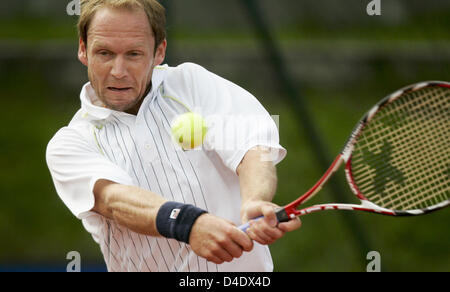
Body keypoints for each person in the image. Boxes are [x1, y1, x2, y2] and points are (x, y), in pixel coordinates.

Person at [46, 0, 301, 272]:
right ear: (83, 50)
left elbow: (253, 146)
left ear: (159, 52)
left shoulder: (192, 84)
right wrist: (189, 224)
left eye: (133, 54)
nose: (118, 71)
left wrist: (255, 199)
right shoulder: (69, 143)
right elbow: (114, 200)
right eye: (105, 53)